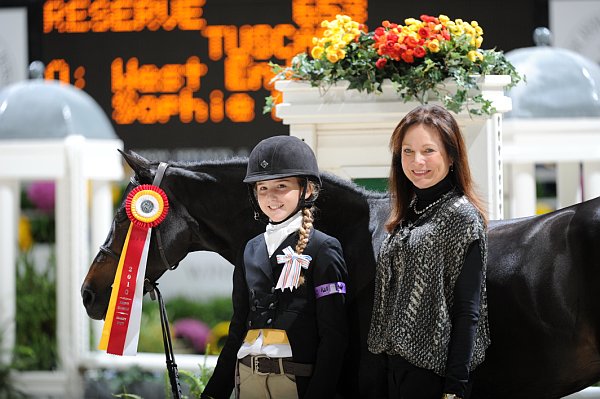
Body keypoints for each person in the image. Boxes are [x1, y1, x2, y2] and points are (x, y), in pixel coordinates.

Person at [202, 135, 348, 399]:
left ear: (308, 190)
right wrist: (213, 393)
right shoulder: (249, 249)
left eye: (282, 186)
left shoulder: (323, 248)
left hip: (296, 383)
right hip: (248, 380)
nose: (271, 197)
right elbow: (238, 329)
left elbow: (334, 337)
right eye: (262, 188)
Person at [367, 104, 490, 399]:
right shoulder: (408, 212)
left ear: (451, 157)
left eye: (428, 150)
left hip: (436, 375)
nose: (416, 160)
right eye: (407, 151)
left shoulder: (461, 217)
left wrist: (454, 389)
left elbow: (468, 312)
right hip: (395, 369)